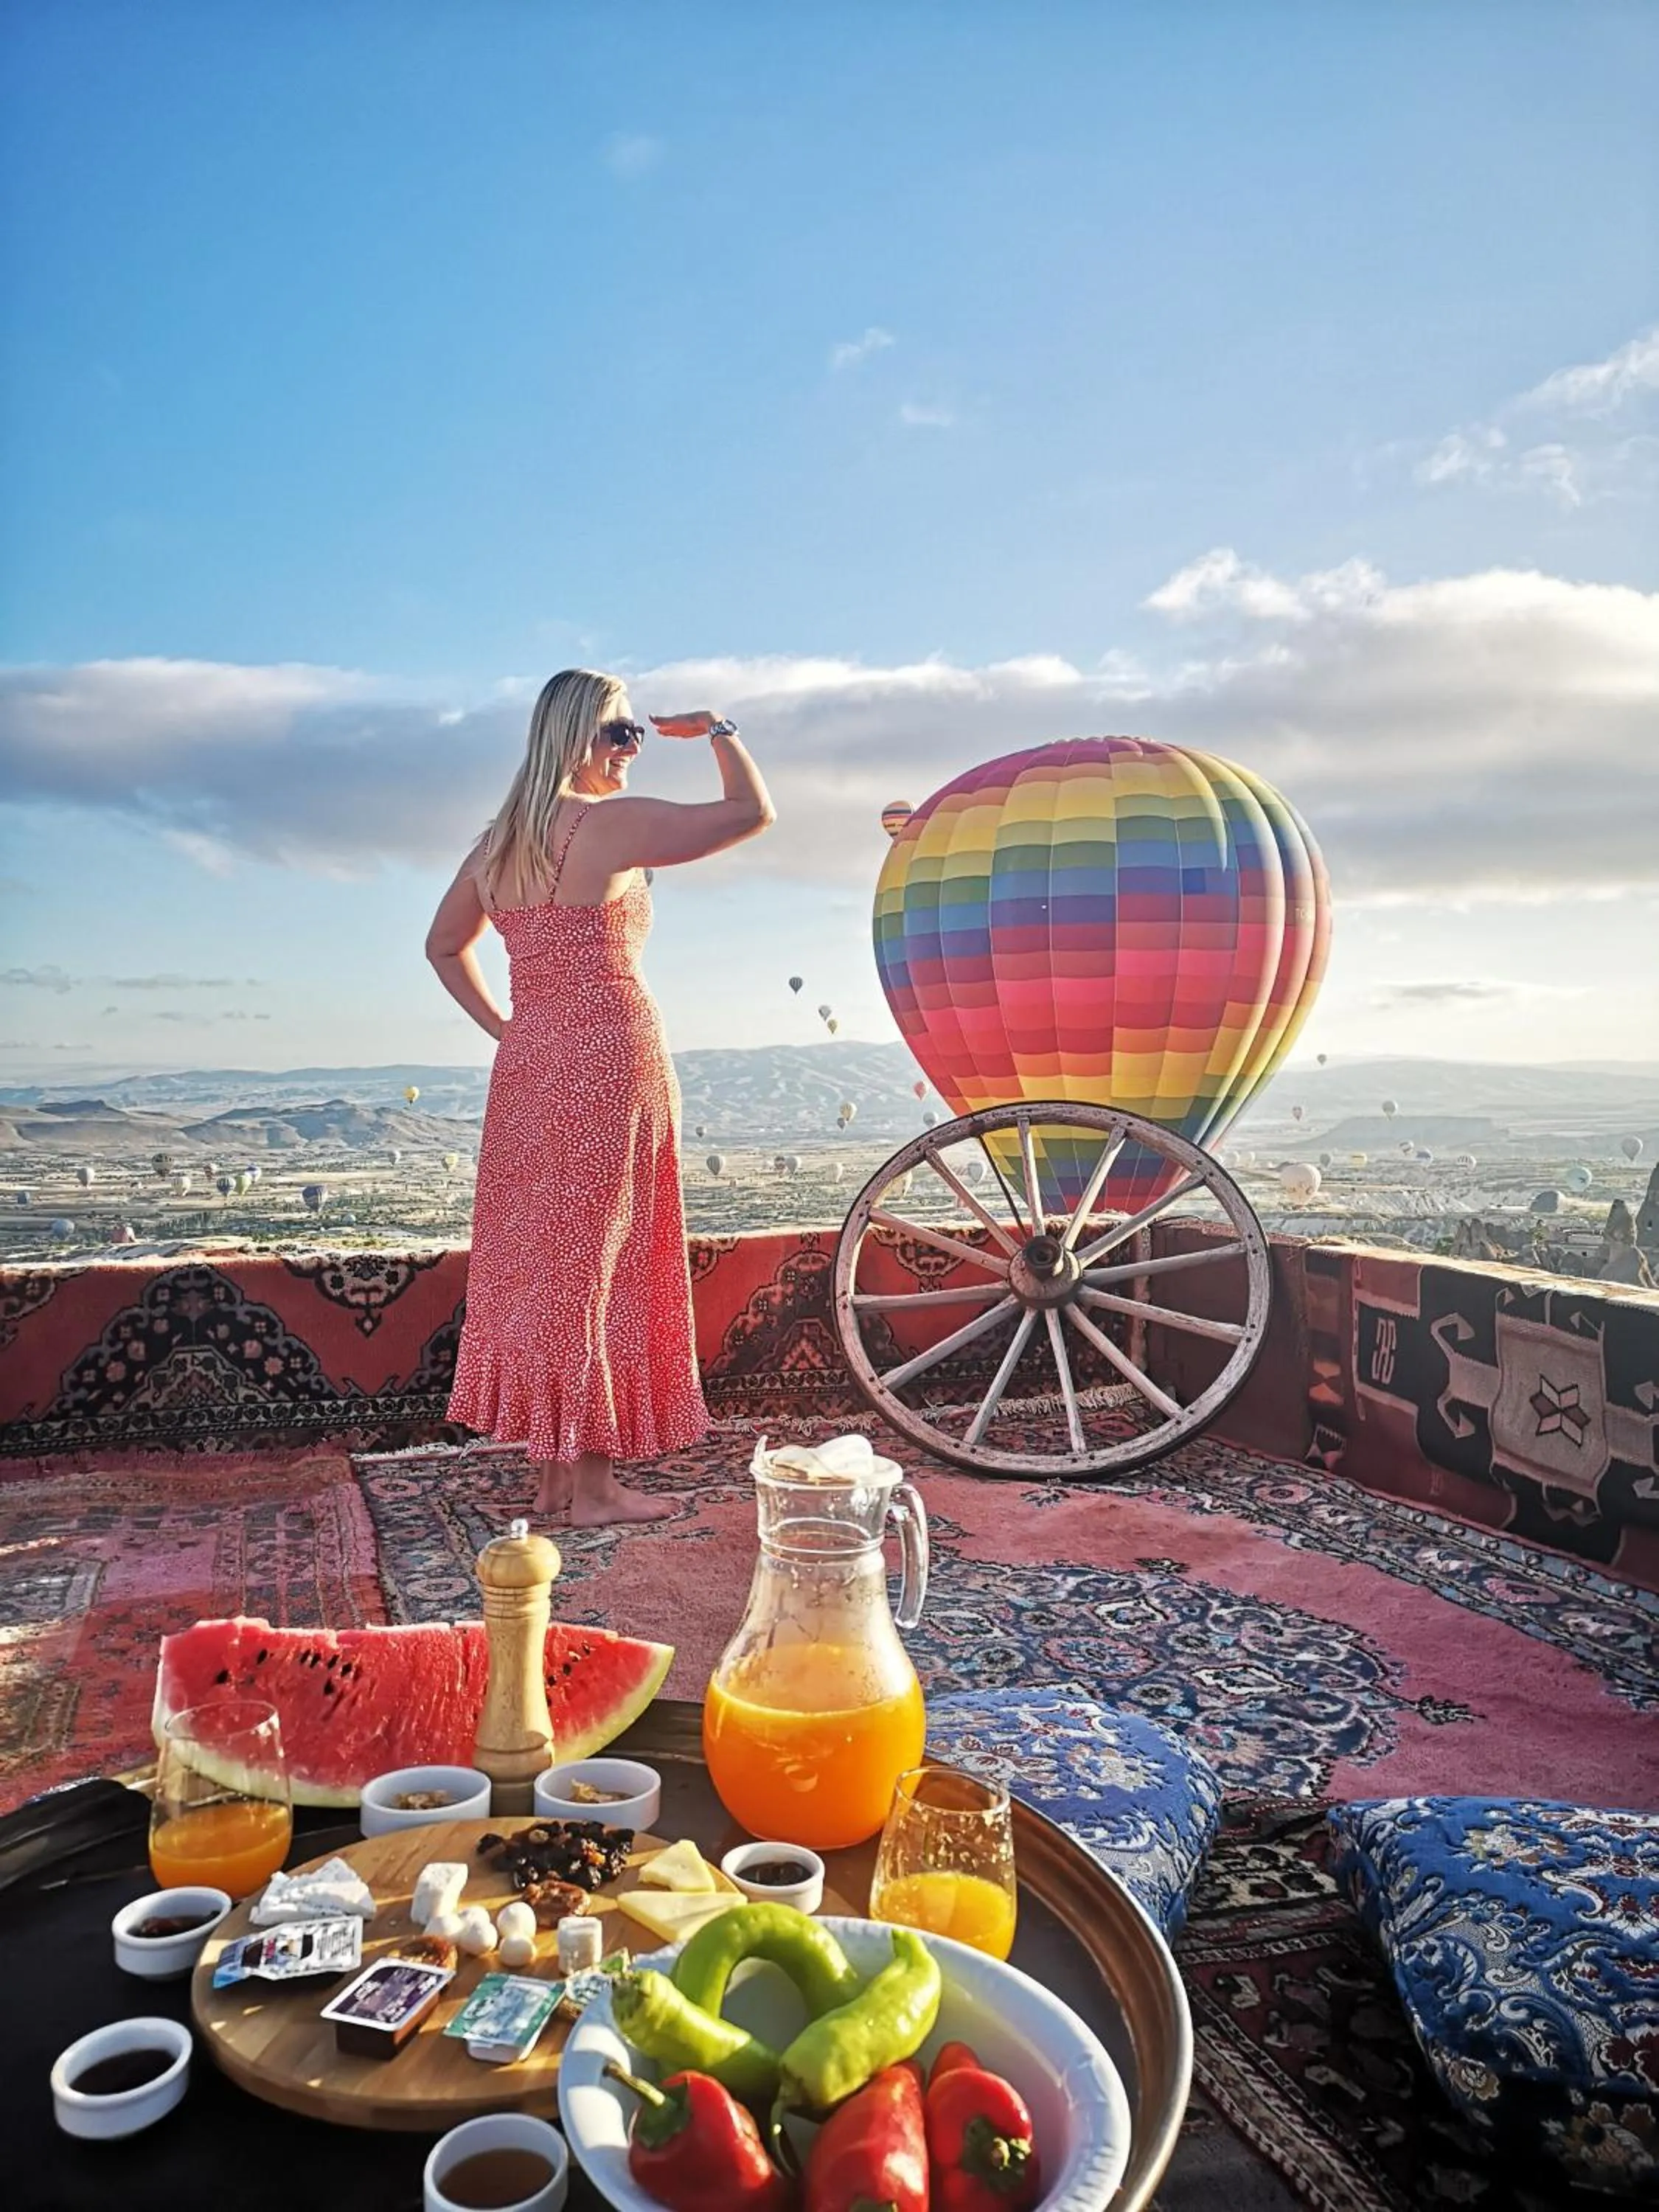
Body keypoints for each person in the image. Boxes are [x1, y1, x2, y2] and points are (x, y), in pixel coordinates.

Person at [425, 669, 775, 1523]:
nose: (632, 749)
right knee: (605, 1265)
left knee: (546, 1262)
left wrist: (508, 1028)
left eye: (637, 736)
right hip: (610, 1053)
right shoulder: (609, 825)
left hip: (533, 1061)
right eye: (621, 732)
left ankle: (553, 1479)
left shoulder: (497, 843)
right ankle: (591, 1490)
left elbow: (443, 947)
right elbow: (748, 816)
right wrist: (720, 730)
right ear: (579, 736)